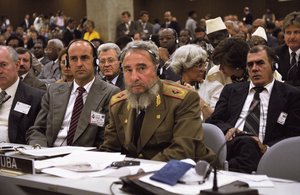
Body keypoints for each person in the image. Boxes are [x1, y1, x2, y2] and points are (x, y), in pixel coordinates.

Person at [99, 41, 215, 163]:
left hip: (178, 174)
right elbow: (110, 148)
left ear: (156, 67)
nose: (134, 77)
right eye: (128, 70)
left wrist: (139, 171)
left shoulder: (182, 100)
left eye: (142, 68)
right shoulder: (118, 103)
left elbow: (183, 151)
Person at [206, 45, 300, 173]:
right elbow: (214, 121)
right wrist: (228, 130)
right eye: (250, 65)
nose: (255, 69)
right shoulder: (231, 91)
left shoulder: (291, 95)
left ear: (273, 66)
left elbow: (294, 134)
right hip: (232, 146)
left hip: (268, 153)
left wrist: (266, 148)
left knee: (249, 145)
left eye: (260, 63)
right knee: (246, 143)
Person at [26, 39, 120, 147]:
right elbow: (37, 129)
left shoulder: (110, 92)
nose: (79, 64)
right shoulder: (53, 91)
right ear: (67, 63)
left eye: (84, 58)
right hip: (48, 155)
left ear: (95, 61)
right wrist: (39, 150)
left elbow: (106, 139)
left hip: (84, 158)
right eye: (73, 59)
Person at [0, 46, 44, 144]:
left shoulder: (36, 98)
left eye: (3, 65)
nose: (0, 71)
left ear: (17, 65)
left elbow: (37, 133)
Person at [168, 44, 223, 120]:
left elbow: (216, 120)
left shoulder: (215, 87)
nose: (204, 69)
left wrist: (196, 97)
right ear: (185, 66)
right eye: (199, 65)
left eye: (205, 65)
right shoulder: (171, 89)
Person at [275, 11, 300, 86]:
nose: (292, 37)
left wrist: (285, 84)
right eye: (288, 33)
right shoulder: (276, 53)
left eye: (296, 32)